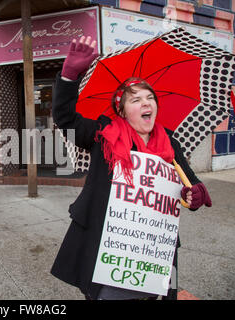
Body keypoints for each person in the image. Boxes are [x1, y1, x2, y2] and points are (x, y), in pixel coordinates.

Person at [50, 36, 212, 300]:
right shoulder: (103, 133)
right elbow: (65, 120)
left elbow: (189, 185)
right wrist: (69, 76)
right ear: (122, 110)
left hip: (155, 248)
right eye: (135, 100)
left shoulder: (170, 141)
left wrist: (195, 195)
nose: (146, 103)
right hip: (110, 247)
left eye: (150, 98)